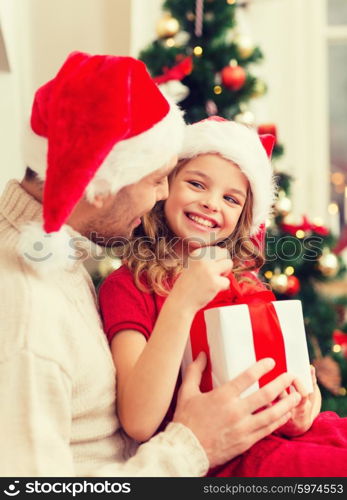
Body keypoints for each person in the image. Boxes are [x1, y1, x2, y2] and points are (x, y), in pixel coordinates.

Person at [0, 52, 299, 477]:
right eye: (158, 179)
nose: (162, 195)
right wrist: (193, 446)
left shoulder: (57, 260)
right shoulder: (27, 313)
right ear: (103, 186)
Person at [99, 117, 347, 477]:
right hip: (218, 457)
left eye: (231, 198)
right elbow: (138, 420)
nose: (211, 203)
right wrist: (183, 300)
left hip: (273, 438)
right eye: (197, 184)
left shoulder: (243, 285)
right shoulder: (129, 286)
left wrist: (300, 410)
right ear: (164, 186)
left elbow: (285, 381)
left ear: (243, 217)